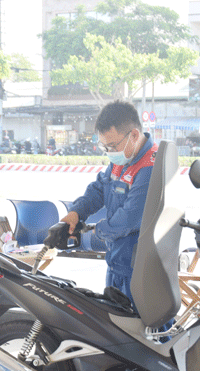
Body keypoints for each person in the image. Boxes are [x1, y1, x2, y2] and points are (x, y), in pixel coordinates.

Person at [60, 100, 160, 311]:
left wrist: (97, 230)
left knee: (142, 335)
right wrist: (77, 212)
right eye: (105, 146)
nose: (110, 152)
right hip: (117, 262)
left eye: (113, 146)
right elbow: (99, 189)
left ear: (134, 135)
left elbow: (129, 219)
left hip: (138, 269)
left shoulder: (150, 167)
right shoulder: (123, 159)